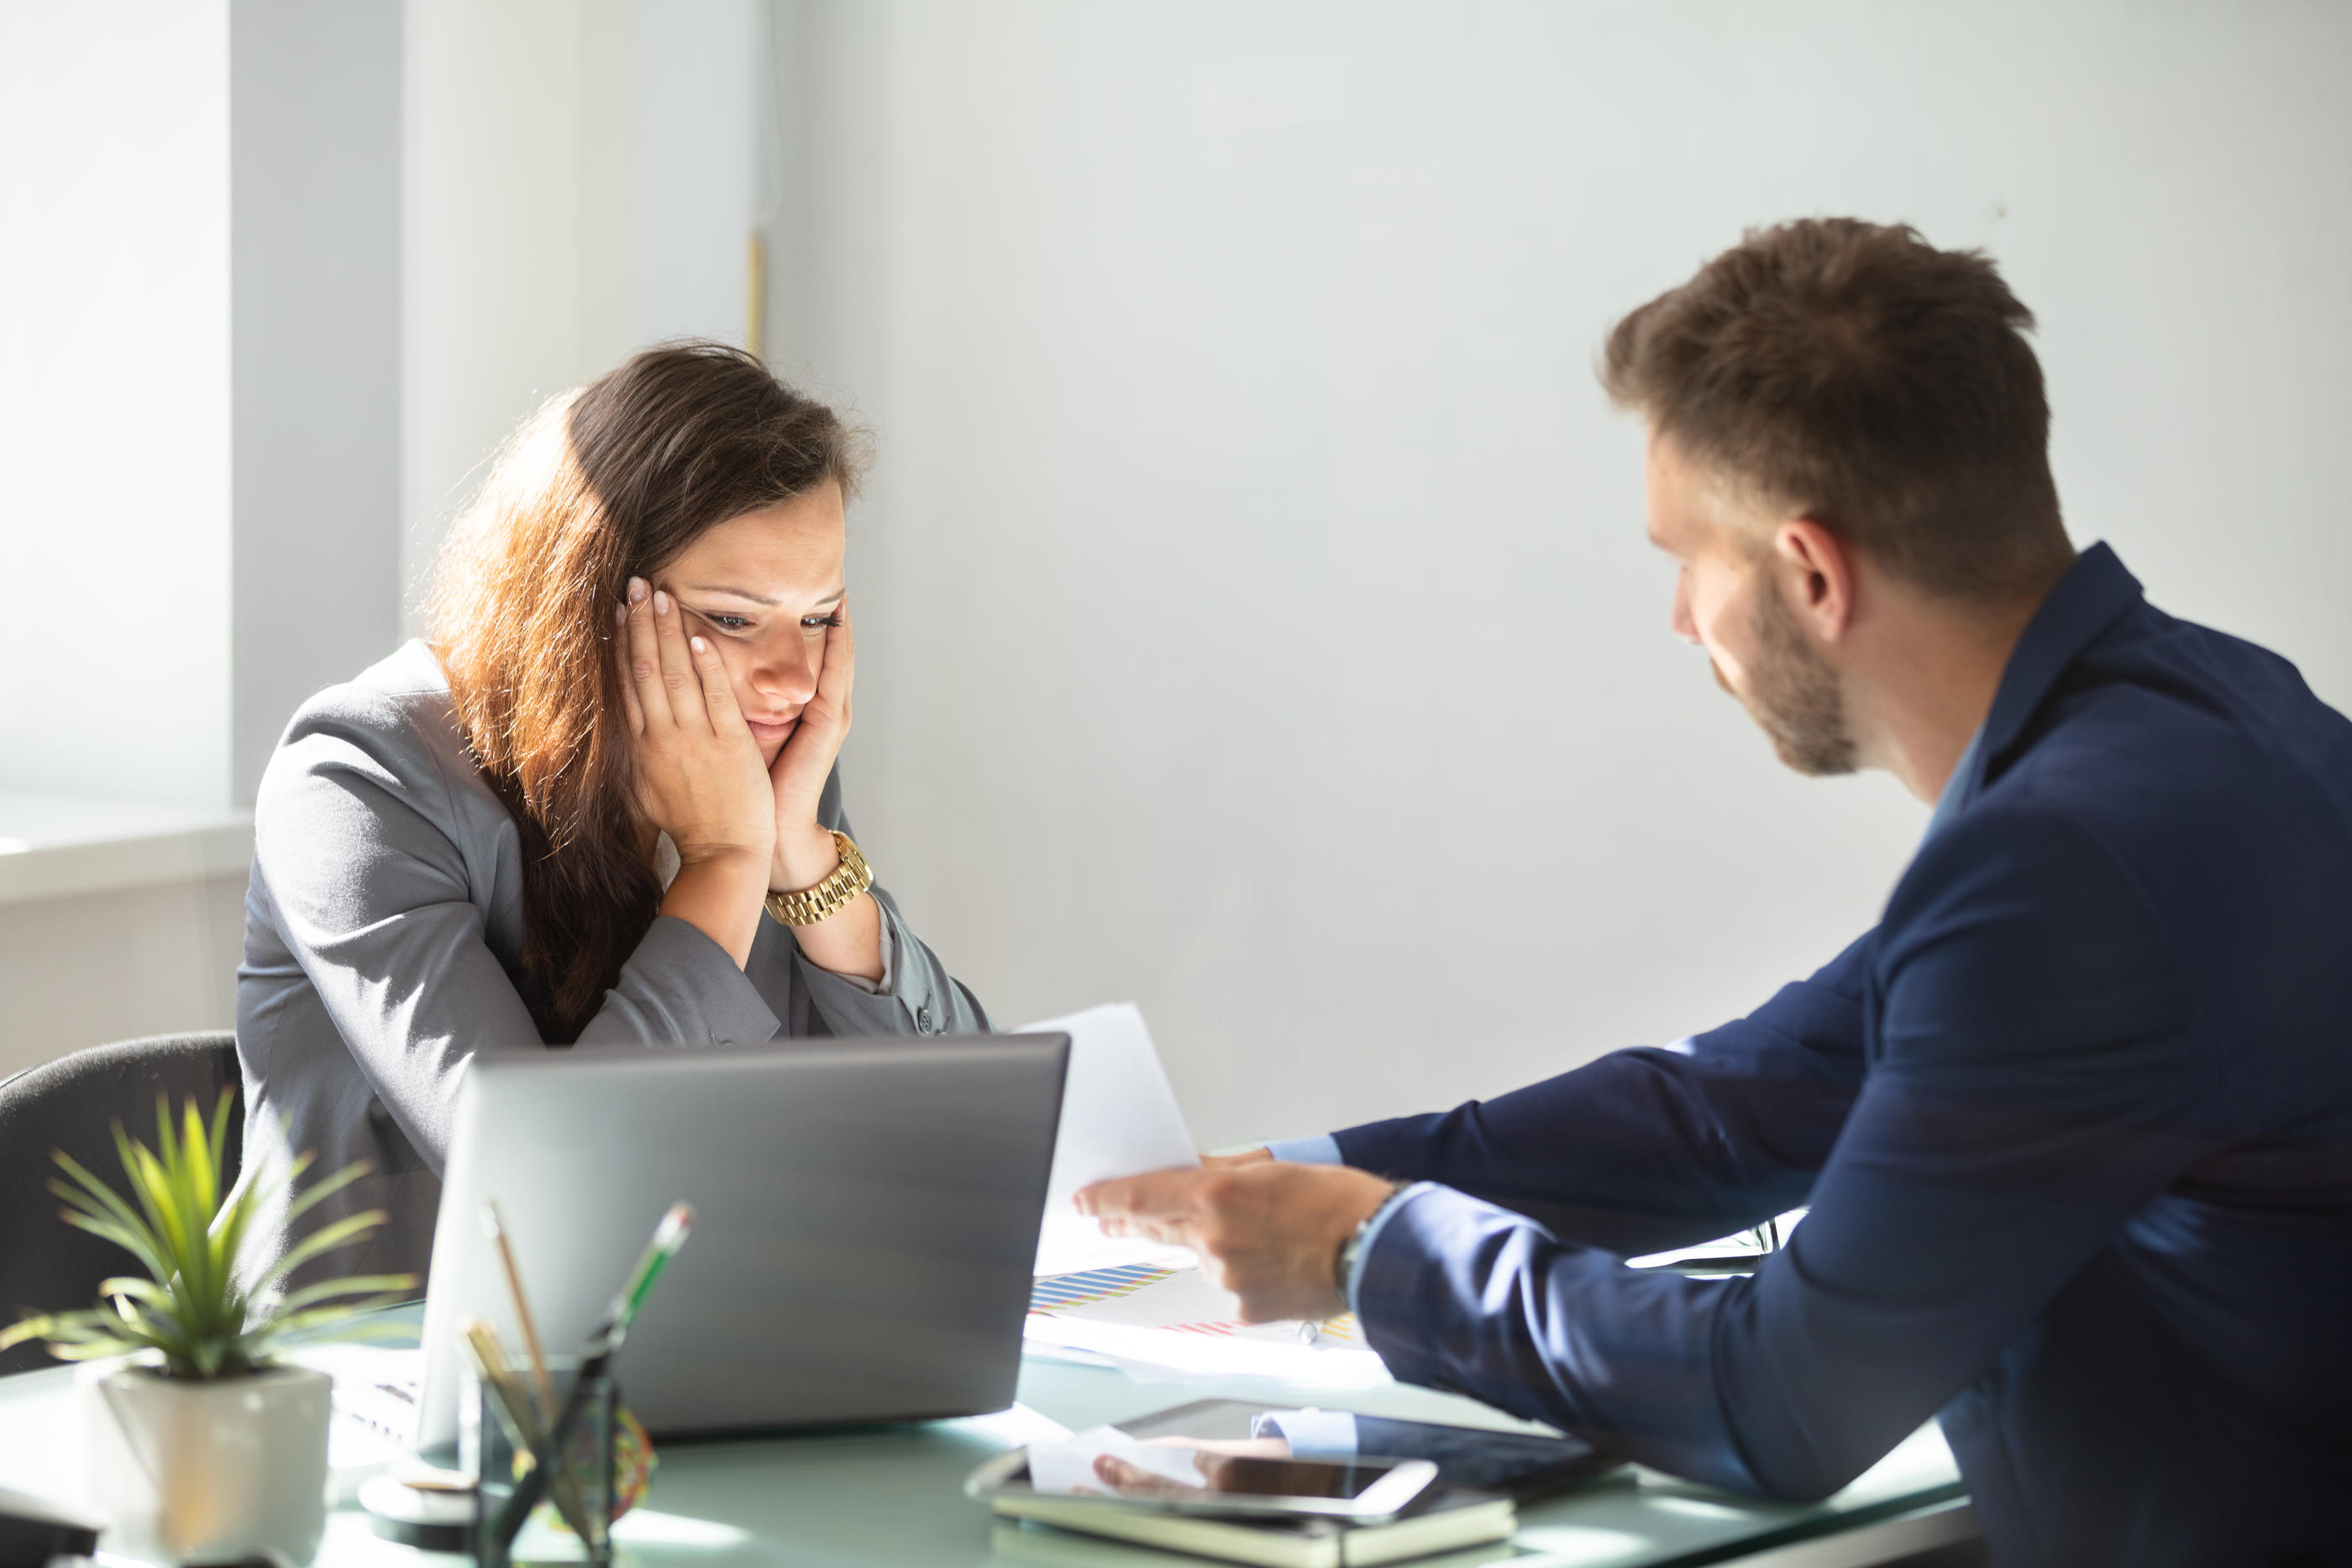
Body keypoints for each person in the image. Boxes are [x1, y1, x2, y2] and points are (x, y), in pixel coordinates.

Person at [1079, 220, 2352, 1565]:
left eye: (1685, 558)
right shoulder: (2201, 723)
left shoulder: (2064, 869)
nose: (1683, 621)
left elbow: (1784, 1397)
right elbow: (1739, 1099)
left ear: (1810, 573)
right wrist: (1313, 1177)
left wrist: (1372, 1252)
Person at [238, 343, 988, 1284]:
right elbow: (537, 1186)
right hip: (363, 1380)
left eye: (819, 616)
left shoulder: (765, 763)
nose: (795, 680)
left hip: (676, 1345)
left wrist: (802, 859)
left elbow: (963, 1134)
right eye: (732, 617)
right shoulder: (355, 774)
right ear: (585, 604)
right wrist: (720, 863)